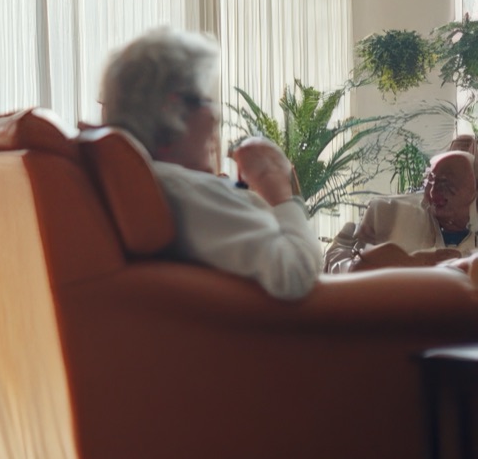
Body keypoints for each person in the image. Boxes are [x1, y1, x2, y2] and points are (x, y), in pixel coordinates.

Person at [99, 27, 320, 300]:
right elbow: (295, 273)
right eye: (207, 101)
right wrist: (280, 194)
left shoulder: (147, 182)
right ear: (172, 110)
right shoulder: (184, 190)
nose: (217, 118)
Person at [326, 150, 478, 272]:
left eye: (446, 183)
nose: (433, 193)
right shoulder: (390, 215)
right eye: (431, 180)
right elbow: (349, 273)